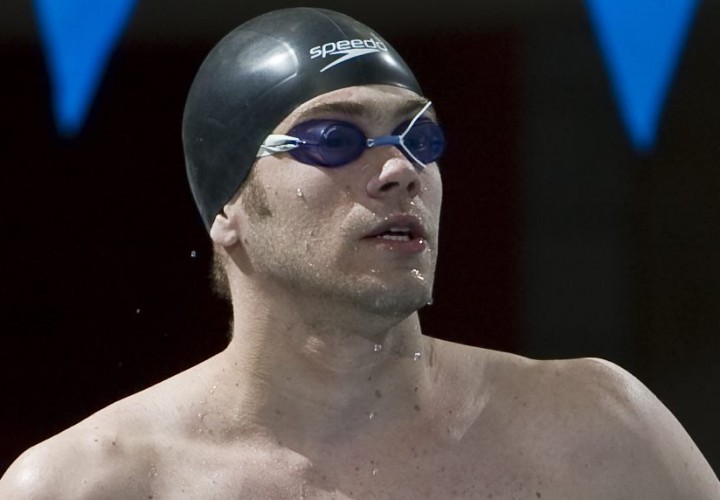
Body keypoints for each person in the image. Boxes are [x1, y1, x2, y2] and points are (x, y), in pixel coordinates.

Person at [1, 7, 718, 499]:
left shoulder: (596, 431)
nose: (401, 168)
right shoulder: (91, 485)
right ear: (226, 209)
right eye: (334, 140)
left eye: (419, 138)